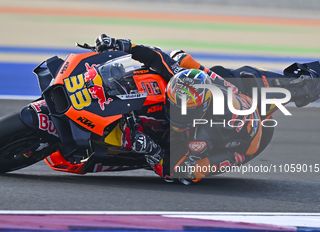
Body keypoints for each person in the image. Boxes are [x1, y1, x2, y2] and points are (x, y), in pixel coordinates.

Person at [94, 34, 320, 184]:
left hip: (244, 143)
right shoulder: (205, 88)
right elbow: (160, 57)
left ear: (198, 113)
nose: (174, 110)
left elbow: (180, 172)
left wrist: (151, 149)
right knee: (213, 68)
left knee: (188, 172)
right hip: (240, 99)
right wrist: (121, 44)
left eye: (181, 109)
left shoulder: (202, 138)